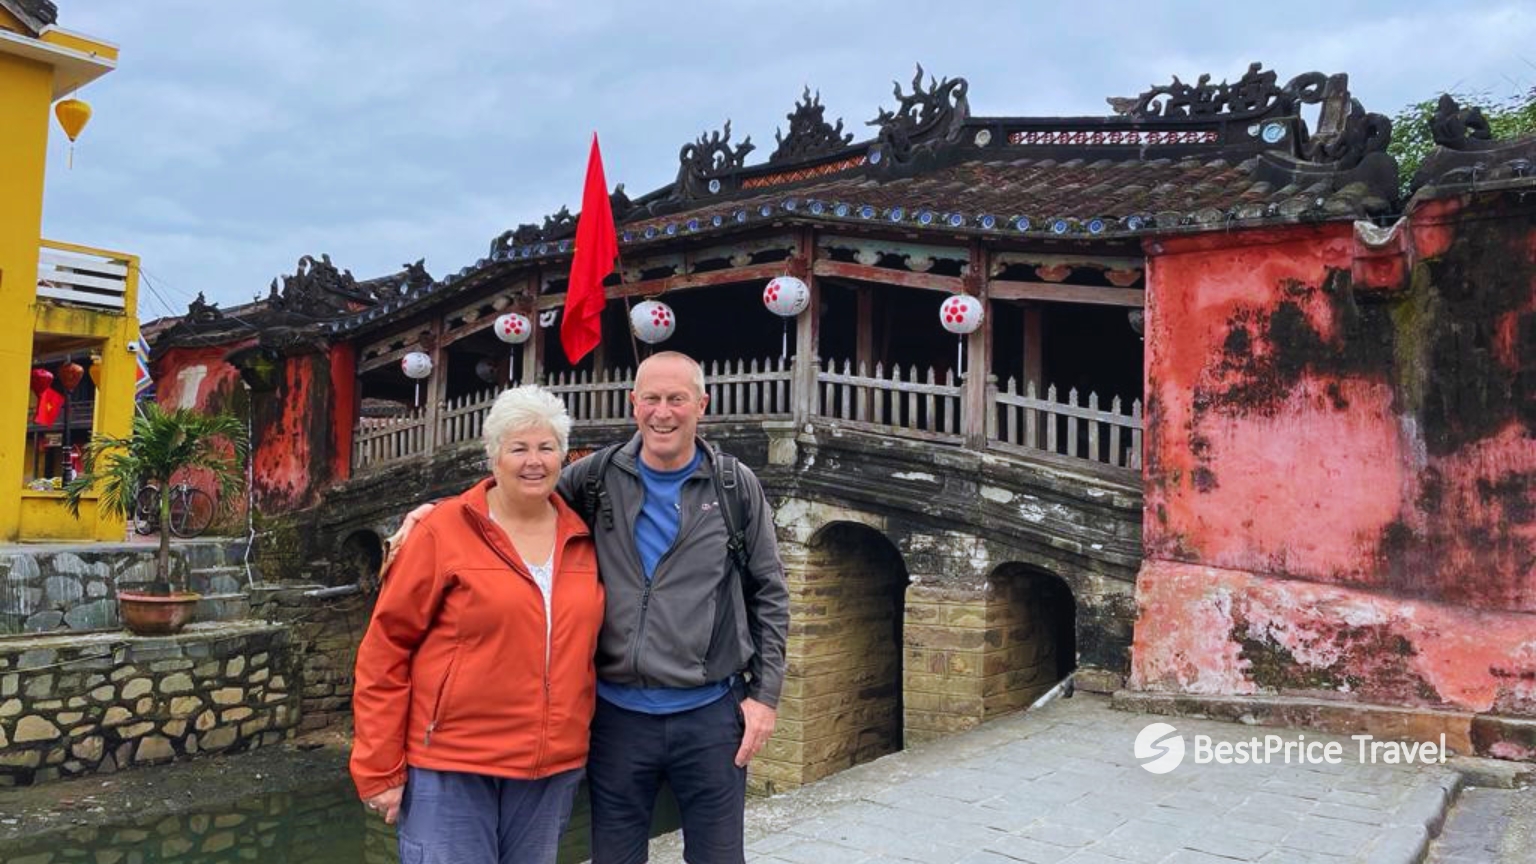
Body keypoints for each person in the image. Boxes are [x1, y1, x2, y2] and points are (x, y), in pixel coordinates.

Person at [387, 351, 790, 864]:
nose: (662, 412)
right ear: (633, 404)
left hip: (710, 713)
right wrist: (441, 512)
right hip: (617, 717)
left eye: (676, 399)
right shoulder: (597, 478)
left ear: (701, 405)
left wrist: (765, 696)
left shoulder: (734, 487)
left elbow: (770, 593)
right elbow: (520, 488)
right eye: (651, 398)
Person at [351, 385, 605, 864]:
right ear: (493, 456)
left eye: (546, 447)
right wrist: (380, 769)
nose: (534, 461)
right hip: (454, 763)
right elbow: (386, 651)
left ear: (563, 456)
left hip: (548, 768)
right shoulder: (441, 531)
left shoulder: (584, 537)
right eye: (519, 448)